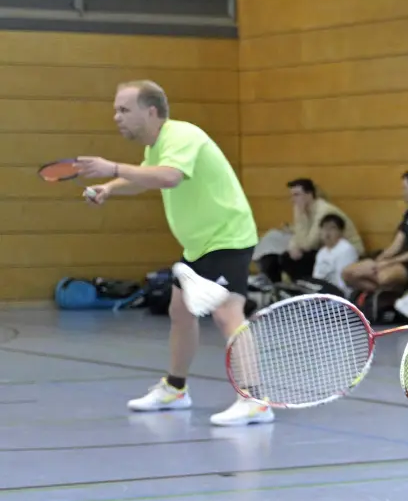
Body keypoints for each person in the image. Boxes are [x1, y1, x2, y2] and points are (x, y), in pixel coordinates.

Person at [80, 79, 273, 426]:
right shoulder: (157, 146)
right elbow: (146, 177)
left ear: (151, 111)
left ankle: (255, 398)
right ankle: (175, 388)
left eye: (124, 109)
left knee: (227, 313)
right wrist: (109, 188)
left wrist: (112, 168)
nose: (116, 117)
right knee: (181, 311)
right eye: (115, 110)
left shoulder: (182, 135)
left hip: (226, 236)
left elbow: (168, 177)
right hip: (200, 244)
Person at [341, 167, 408, 295]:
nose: (403, 193)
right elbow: (395, 246)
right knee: (347, 273)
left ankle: (386, 295)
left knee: (383, 277)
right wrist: (378, 262)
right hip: (399, 260)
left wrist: (390, 262)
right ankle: (378, 296)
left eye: (405, 188)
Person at [256, 178, 362, 284]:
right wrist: (293, 247)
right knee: (281, 256)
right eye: (292, 195)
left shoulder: (323, 211)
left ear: (309, 194)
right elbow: (298, 235)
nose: (293, 200)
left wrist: (301, 216)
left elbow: (309, 244)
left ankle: (304, 289)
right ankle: (276, 286)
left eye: (297, 195)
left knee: (299, 259)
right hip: (324, 247)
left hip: (345, 250)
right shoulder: (301, 208)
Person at [309, 213, 361, 295]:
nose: (327, 232)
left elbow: (343, 283)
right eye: (324, 228)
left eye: (332, 228)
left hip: (341, 295)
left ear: (341, 232)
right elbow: (316, 278)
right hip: (322, 294)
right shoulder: (321, 253)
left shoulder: (346, 249)